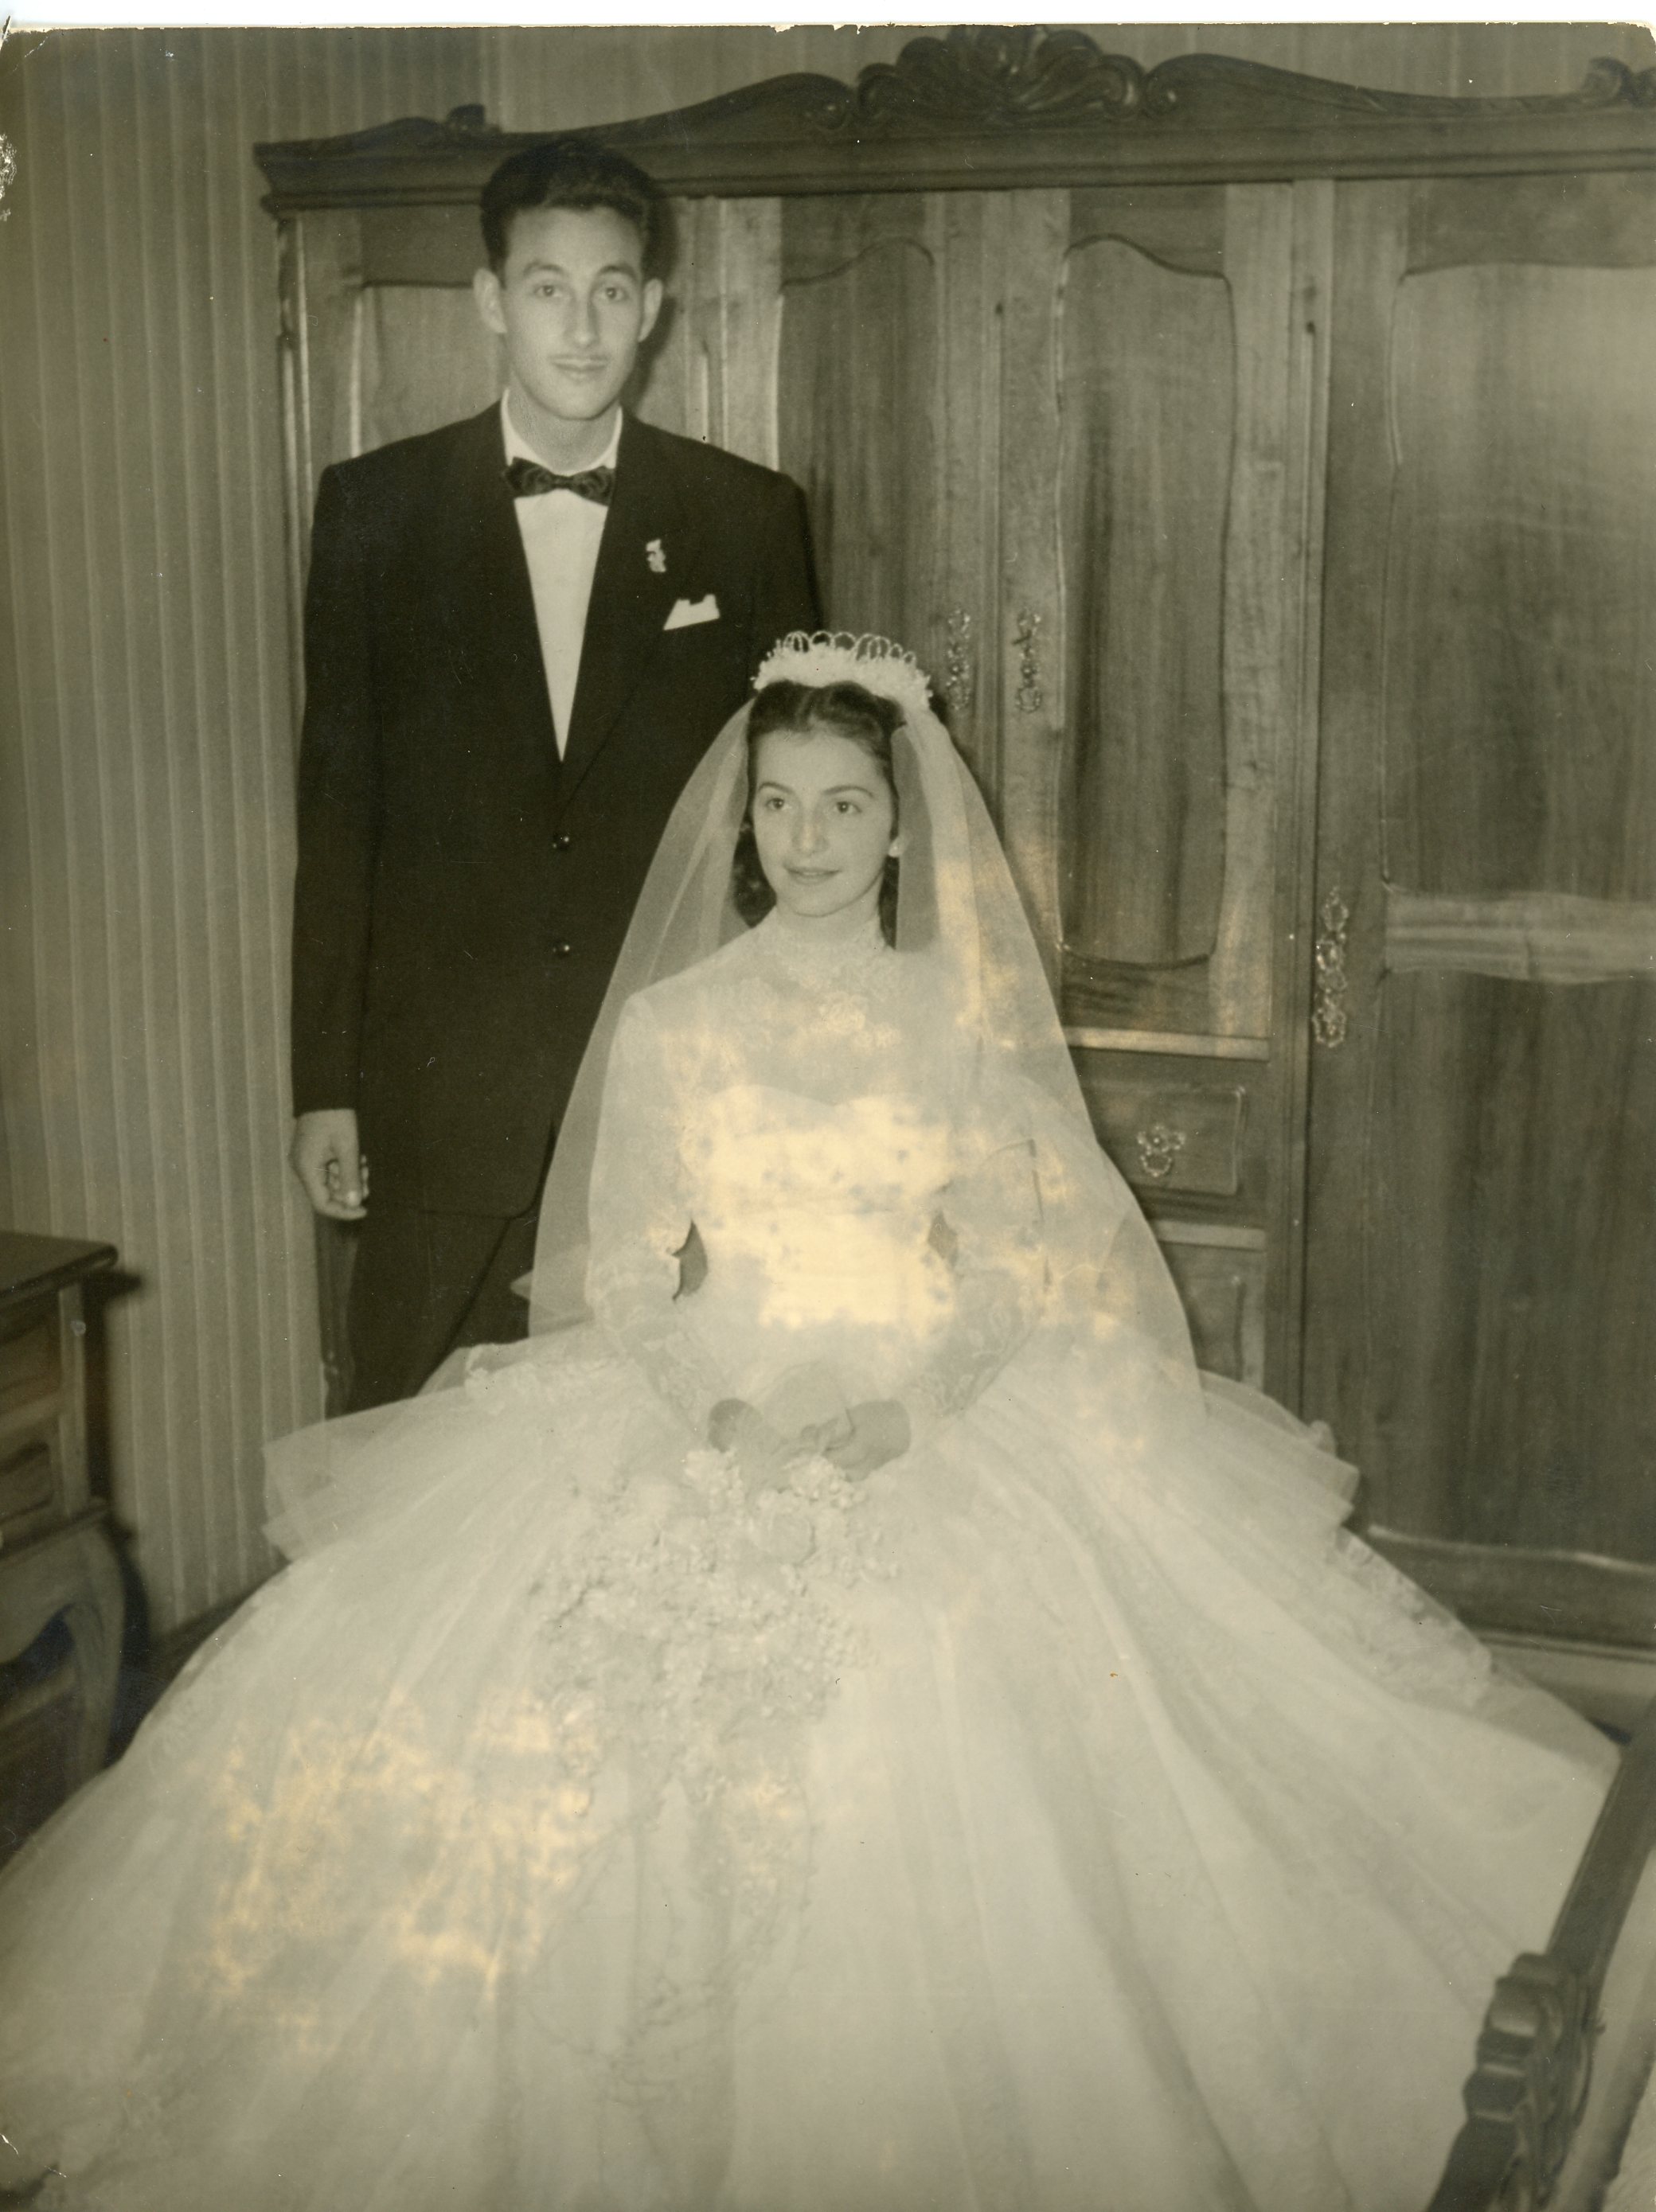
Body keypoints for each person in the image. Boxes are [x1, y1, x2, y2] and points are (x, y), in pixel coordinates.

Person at [0, 634, 1615, 2212]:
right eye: (778, 805)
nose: (809, 840)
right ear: (744, 817)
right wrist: (712, 1407)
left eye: (844, 806)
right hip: (713, 1392)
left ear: (901, 824)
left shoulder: (956, 1019)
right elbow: (622, 1273)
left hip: (916, 1395)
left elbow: (1013, 1268)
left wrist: (911, 1412)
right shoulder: (676, 1023)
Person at [287, 136, 819, 1410]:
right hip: (438, 1105)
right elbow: (338, 819)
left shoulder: (747, 515)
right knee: (406, 1455)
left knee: (663, 1461)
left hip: (672, 1105)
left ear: (654, 306)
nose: (582, 328)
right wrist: (324, 1089)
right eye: (547, 288)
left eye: (611, 290)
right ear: (491, 300)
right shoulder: (373, 509)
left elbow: (794, 827)